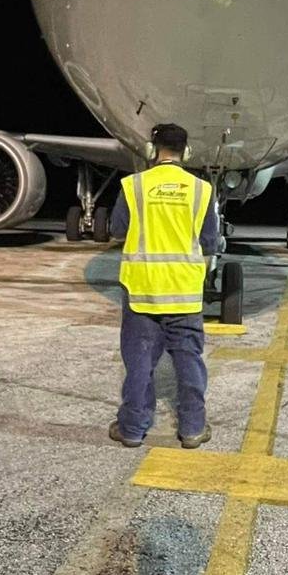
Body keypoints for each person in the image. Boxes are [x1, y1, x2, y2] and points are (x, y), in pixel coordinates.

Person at [108, 122, 222, 448]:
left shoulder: (133, 186)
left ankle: (132, 429)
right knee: (189, 362)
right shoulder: (201, 190)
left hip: (142, 292)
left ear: (151, 151)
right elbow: (211, 242)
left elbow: (117, 229)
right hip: (185, 294)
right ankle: (193, 429)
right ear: (186, 152)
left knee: (140, 363)